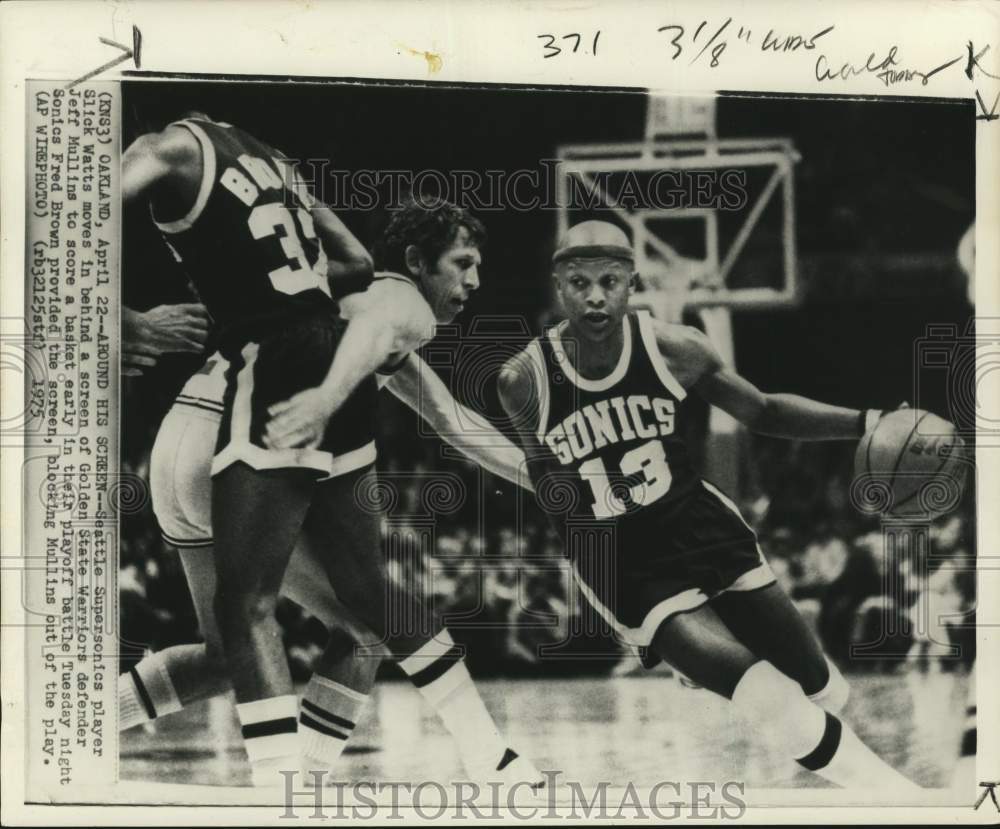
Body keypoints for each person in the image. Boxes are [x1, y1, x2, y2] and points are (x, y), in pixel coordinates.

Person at [122, 115, 536, 787]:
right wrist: (324, 397)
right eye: (464, 264)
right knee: (363, 615)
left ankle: (81, 720)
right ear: (417, 262)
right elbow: (371, 316)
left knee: (228, 651)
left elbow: (455, 420)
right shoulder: (378, 302)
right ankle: (304, 781)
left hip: (180, 440)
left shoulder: (335, 296)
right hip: (252, 419)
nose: (475, 282)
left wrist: (542, 477)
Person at [494, 219, 920, 789]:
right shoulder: (522, 380)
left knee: (821, 686)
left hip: (700, 525)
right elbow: (549, 489)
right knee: (762, 692)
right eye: (579, 282)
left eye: (609, 280)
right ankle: (907, 799)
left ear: (631, 282)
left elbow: (764, 411)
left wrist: (868, 421)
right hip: (625, 560)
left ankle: (848, 767)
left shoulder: (676, 348)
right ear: (558, 286)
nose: (595, 296)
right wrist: (615, 600)